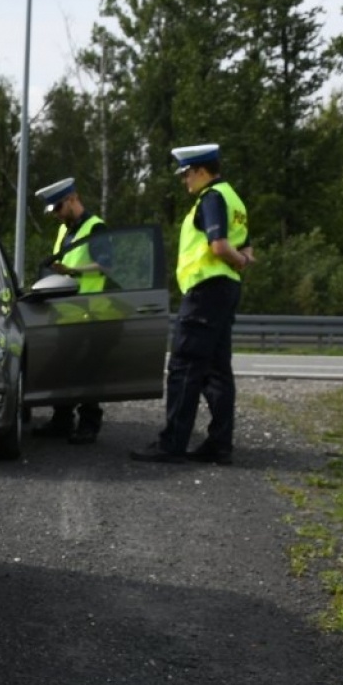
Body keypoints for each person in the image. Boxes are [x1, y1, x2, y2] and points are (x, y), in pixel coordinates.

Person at [131, 143, 255, 464]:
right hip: (225, 291)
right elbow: (249, 251)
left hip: (205, 292)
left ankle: (172, 443)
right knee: (216, 370)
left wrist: (235, 257)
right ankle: (219, 444)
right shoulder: (235, 199)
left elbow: (218, 245)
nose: (184, 180)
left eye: (187, 173)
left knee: (183, 367)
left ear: (202, 171)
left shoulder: (211, 197)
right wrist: (241, 259)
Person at [30, 176, 109, 445]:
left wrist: (73, 271)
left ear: (73, 199)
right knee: (64, 368)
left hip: (90, 310)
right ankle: (62, 421)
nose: (56, 216)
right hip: (67, 310)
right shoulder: (66, 230)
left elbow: (106, 265)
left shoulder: (95, 228)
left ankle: (89, 424)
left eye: (58, 209)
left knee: (87, 370)